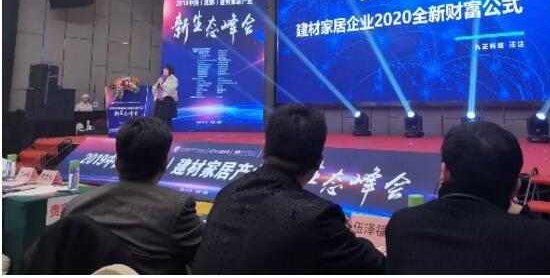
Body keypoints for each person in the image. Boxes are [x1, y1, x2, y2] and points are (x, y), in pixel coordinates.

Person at [192, 104, 386, 274]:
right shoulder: (318, 218)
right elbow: (376, 266)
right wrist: (347, 235)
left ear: (264, 149)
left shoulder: (227, 193)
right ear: (319, 161)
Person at [386, 121, 550, 274]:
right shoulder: (548, 242)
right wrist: (522, 212)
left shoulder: (403, 225)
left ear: (444, 172)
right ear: (516, 186)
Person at [62, 117, 203, 274]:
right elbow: (211, 255)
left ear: (116, 162)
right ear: (164, 163)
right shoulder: (176, 209)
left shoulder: (75, 206)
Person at [152, 65, 178, 129]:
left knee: (167, 117)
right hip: (159, 99)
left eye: (166, 70)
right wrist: (156, 87)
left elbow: (171, 89)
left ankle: (168, 131)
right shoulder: (161, 78)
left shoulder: (173, 79)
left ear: (170, 71)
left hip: (168, 100)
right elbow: (155, 87)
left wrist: (163, 85)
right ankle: (158, 131)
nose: (164, 71)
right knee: (157, 117)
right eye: (164, 69)